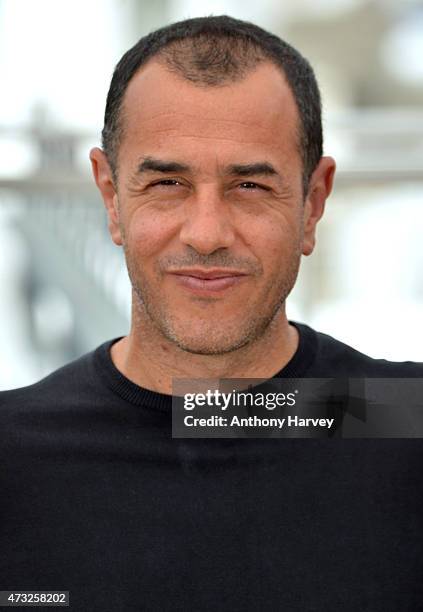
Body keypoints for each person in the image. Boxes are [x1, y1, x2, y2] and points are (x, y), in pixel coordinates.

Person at [1, 15, 422, 612]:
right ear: (111, 197)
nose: (205, 234)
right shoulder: (14, 453)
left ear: (313, 203)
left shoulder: (404, 418)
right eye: (167, 182)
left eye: (249, 187)